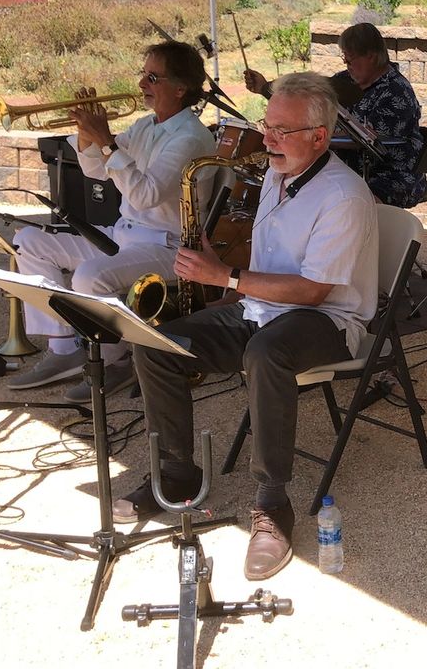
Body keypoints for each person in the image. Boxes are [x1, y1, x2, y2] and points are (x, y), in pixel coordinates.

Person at [116, 72, 379, 582]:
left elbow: (313, 291)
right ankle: (177, 473)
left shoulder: (344, 195)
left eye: (282, 129)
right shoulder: (279, 174)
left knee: (265, 353)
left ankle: (273, 505)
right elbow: (264, 268)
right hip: (262, 308)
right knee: (155, 344)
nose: (268, 138)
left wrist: (226, 276)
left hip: (328, 319)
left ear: (319, 137)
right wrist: (222, 274)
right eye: (267, 125)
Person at [8, 40, 215, 403]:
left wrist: (106, 141)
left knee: (91, 275)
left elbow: (146, 194)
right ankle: (62, 349)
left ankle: (113, 360)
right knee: (28, 240)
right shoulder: (145, 126)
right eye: (144, 75)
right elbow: (98, 171)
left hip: (167, 246)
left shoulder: (191, 138)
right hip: (125, 235)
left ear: (180, 88)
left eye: (153, 77)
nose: (141, 86)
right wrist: (88, 134)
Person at [245, 23, 427, 208]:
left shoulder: (397, 93)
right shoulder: (345, 81)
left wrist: (313, 137)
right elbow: (306, 101)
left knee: (351, 199)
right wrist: (264, 88)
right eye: (344, 59)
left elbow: (375, 146)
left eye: (350, 60)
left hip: (389, 173)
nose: (346, 65)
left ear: (371, 57)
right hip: (344, 168)